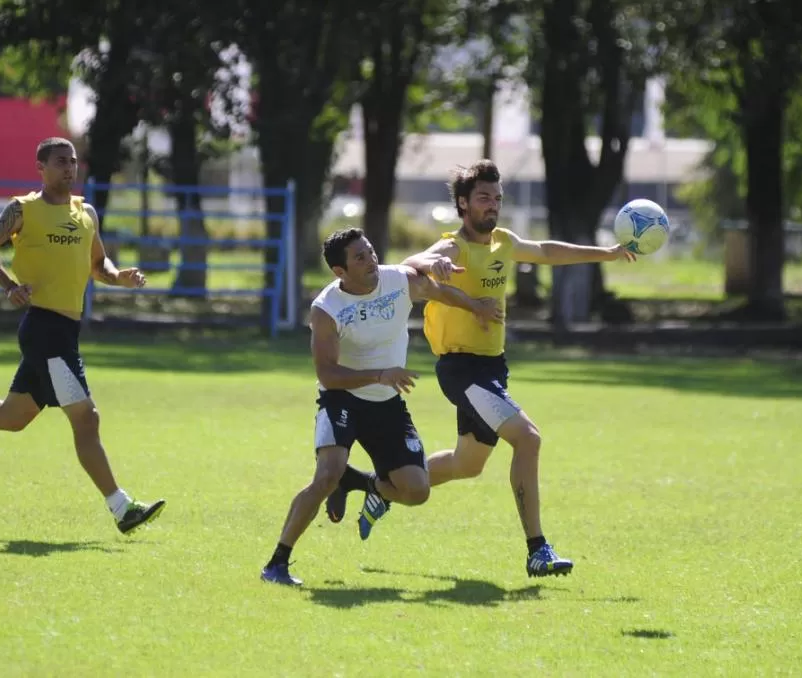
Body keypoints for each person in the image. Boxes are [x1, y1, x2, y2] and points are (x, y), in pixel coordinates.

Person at [0, 137, 166, 535]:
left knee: (11, 417)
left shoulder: (85, 212)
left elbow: (97, 262)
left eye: (73, 162)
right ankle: (122, 509)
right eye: (60, 162)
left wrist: (117, 276)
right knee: (86, 418)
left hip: (66, 332)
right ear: (41, 167)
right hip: (44, 329)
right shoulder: (23, 209)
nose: (69, 168)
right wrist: (7, 285)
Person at [402, 158, 635, 577]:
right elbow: (418, 259)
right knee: (527, 440)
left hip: (492, 368)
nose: (492, 205)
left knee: (466, 464)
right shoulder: (455, 247)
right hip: (461, 369)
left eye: (497, 198)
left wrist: (607, 253)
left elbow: (546, 251)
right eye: (483, 198)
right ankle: (537, 549)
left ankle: (377, 485)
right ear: (463, 203)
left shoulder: (503, 242)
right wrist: (429, 264)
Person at [261, 227, 502, 586]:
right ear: (340, 272)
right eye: (359, 257)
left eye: (371, 251)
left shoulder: (398, 280)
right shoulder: (326, 309)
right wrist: (379, 374)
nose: (371, 259)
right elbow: (327, 374)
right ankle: (277, 563)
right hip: (342, 399)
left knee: (417, 491)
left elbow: (436, 291)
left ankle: (360, 483)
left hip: (387, 402)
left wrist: (475, 306)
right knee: (326, 475)